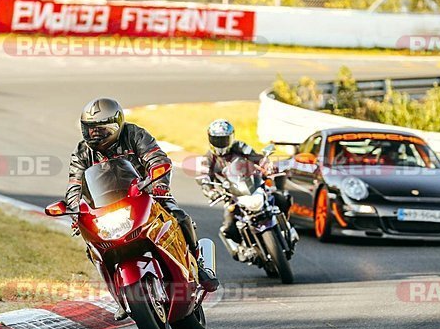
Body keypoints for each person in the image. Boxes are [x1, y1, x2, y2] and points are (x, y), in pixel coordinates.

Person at [66, 98, 219, 305]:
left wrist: (158, 184)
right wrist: (75, 211)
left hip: (146, 194)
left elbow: (157, 158)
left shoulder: (134, 134)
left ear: (116, 125)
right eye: (90, 129)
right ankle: (119, 297)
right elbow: (75, 184)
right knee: (92, 249)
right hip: (105, 208)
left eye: (101, 129)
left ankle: (199, 267)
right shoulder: (82, 152)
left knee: (179, 216)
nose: (95, 134)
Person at [200, 119, 293, 259]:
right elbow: (203, 177)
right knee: (228, 226)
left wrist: (266, 165)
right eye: (217, 140)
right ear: (210, 139)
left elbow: (257, 157)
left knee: (281, 198)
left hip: (252, 184)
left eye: (224, 139)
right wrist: (211, 191)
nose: (221, 143)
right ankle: (240, 249)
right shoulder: (208, 159)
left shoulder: (240, 146)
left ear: (231, 137)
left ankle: (288, 227)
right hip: (231, 194)